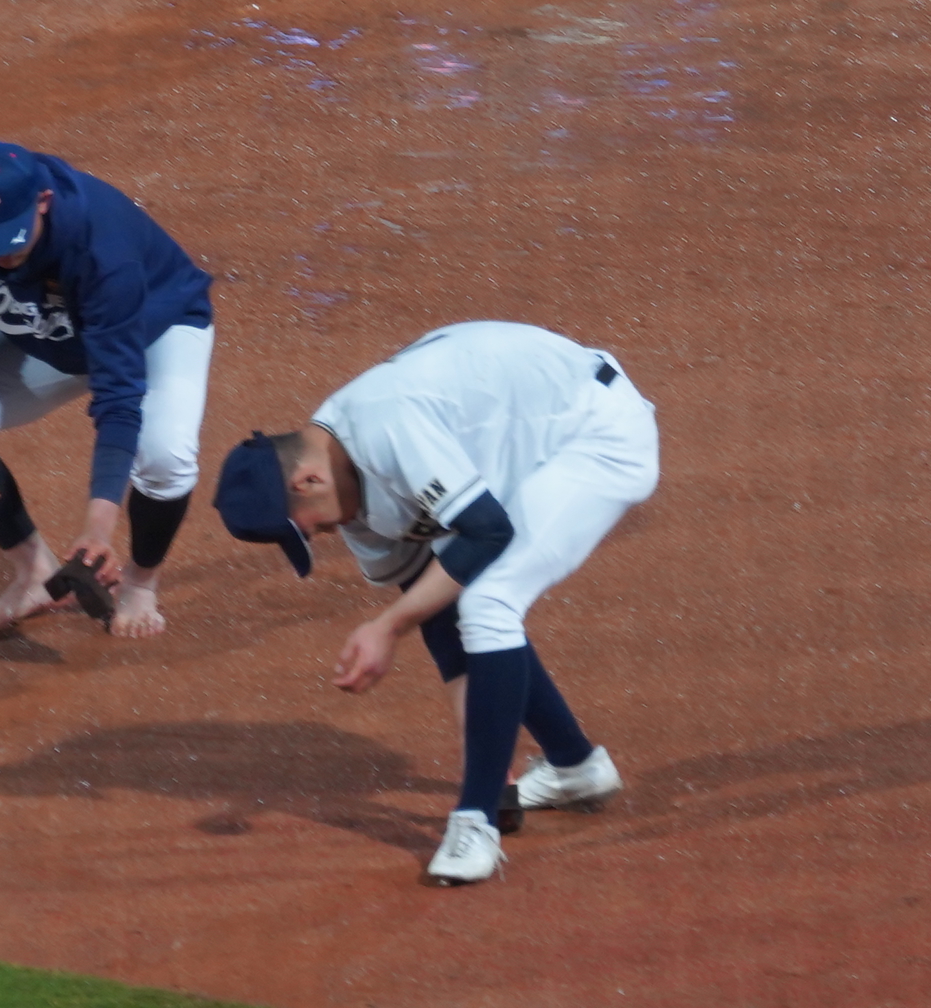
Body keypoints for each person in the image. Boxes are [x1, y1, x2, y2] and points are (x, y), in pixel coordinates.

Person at [215, 320, 660, 887]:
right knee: (470, 604)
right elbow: (440, 616)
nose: (314, 536)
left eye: (300, 526)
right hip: (530, 450)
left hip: (596, 433)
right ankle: (576, 768)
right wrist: (492, 769)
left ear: (306, 480)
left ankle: (474, 826)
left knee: (493, 601)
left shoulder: (384, 424)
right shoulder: (347, 492)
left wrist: (387, 627)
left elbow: (486, 533)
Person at [0, 140, 213, 640]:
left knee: (165, 455)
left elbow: (118, 394)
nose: (1, 256)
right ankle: (35, 574)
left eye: (12, 238)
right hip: (48, 335)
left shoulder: (100, 243)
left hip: (156, 331)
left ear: (42, 200)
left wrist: (98, 529)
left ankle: (141, 581)